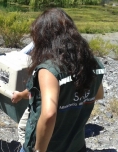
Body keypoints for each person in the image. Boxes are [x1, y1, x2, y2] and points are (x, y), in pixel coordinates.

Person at [12, 8, 105, 152]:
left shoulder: (49, 70)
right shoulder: (92, 63)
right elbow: (98, 95)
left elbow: (49, 114)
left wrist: (39, 150)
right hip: (76, 145)